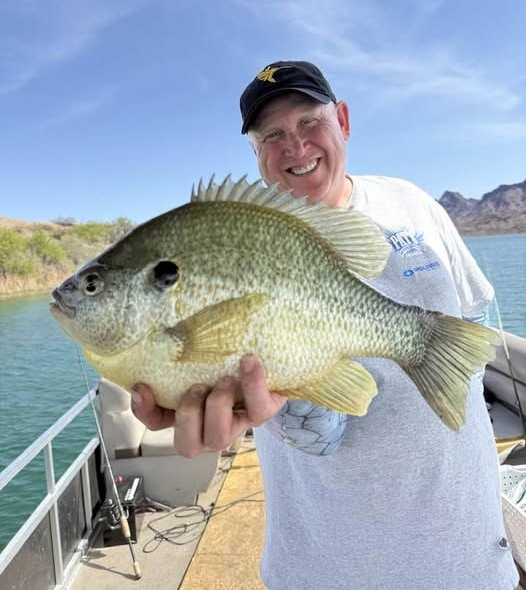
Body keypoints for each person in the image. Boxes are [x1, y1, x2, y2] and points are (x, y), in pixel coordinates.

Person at [131, 61, 519, 590]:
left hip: (467, 552)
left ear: (343, 119)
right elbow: (322, 437)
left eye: (309, 121)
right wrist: (276, 405)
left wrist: (452, 383)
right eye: (272, 134)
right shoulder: (247, 237)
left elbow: (471, 328)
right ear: (254, 150)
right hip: (329, 567)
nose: (295, 146)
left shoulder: (413, 204)